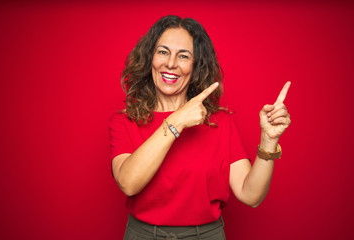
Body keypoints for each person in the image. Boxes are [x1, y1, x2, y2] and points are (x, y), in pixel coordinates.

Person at [109, 15, 291, 240]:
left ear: (195, 67)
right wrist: (177, 120)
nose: (171, 63)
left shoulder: (220, 122)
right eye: (163, 52)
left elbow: (250, 195)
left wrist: (268, 141)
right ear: (150, 58)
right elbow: (128, 183)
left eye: (183, 56)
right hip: (142, 234)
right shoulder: (124, 121)